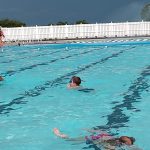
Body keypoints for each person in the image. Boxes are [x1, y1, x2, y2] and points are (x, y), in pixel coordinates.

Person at [53, 128, 136, 149]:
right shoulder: (113, 145)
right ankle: (60, 134)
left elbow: (100, 132)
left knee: (71, 139)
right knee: (69, 140)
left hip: (94, 136)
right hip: (89, 139)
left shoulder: (113, 138)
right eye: (128, 145)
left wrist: (90, 130)